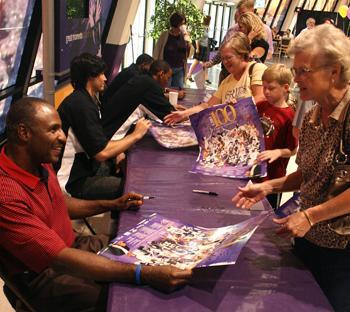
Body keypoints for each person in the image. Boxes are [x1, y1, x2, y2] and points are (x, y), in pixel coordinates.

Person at [0, 97, 192, 311]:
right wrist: (142, 274)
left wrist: (111, 204)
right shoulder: (5, 194)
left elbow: (58, 204)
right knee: (127, 298)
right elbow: (59, 258)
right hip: (43, 276)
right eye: (53, 130)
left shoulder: (40, 161)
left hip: (70, 245)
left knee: (147, 249)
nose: (62, 138)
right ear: (24, 133)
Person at [232, 24, 350, 311]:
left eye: (303, 71)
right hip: (309, 240)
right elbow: (308, 175)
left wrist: (309, 216)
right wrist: (268, 186)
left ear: (334, 71)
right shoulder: (309, 118)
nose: (296, 80)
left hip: (343, 254)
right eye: (295, 71)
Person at [57, 53, 151, 201]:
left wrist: (118, 152)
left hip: (88, 168)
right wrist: (136, 135)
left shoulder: (88, 100)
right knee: (133, 186)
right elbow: (101, 152)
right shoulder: (81, 105)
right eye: (101, 74)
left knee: (130, 171)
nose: (105, 78)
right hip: (72, 181)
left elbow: (98, 140)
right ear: (90, 77)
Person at [164, 32, 266, 125]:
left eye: (229, 57)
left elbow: (261, 97)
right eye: (223, 58)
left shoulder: (256, 69)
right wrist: (184, 114)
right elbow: (208, 105)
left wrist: (237, 107)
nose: (225, 62)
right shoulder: (226, 81)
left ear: (241, 55)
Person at [256, 64, 298, 209]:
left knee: (269, 211)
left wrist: (278, 152)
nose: (266, 92)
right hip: (254, 171)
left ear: (285, 88)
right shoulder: (261, 105)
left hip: (274, 177)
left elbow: (293, 150)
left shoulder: (290, 116)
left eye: (271, 88)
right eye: (264, 87)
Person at [102, 60, 176, 140]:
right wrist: (186, 114)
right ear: (161, 74)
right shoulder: (150, 85)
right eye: (168, 78)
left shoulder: (143, 78)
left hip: (106, 124)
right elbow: (171, 116)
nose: (167, 82)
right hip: (112, 133)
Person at [204, 0, 273, 83]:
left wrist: (247, 39)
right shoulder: (233, 30)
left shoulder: (261, 42)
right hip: (227, 75)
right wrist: (210, 63)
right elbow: (223, 50)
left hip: (243, 80)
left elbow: (251, 59)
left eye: (241, 27)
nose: (238, 29)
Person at [153, 12, 189, 88]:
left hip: (179, 69)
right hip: (165, 70)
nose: (183, 26)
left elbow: (188, 52)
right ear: (175, 23)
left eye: (184, 24)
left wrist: (187, 38)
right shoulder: (165, 35)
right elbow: (157, 51)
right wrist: (156, 68)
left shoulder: (184, 36)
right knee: (165, 90)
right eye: (181, 24)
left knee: (178, 91)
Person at [186, 15, 211, 84]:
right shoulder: (201, 28)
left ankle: (206, 78)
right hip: (200, 47)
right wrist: (197, 48)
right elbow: (197, 39)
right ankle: (189, 75)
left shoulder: (207, 28)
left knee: (205, 63)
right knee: (196, 62)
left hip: (205, 48)